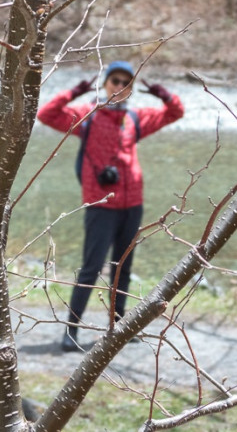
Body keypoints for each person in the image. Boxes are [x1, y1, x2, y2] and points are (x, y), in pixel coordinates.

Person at [37, 60, 185, 352]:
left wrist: (162, 93)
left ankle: (118, 327)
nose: (120, 87)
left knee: (123, 268)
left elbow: (175, 112)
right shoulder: (89, 115)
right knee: (91, 268)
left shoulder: (136, 118)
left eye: (126, 83)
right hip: (100, 204)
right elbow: (46, 114)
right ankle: (72, 330)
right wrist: (75, 91)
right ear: (105, 84)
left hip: (133, 204)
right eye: (115, 81)